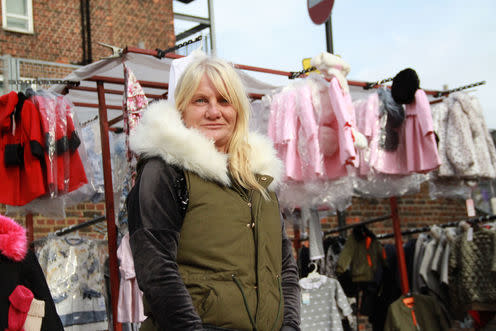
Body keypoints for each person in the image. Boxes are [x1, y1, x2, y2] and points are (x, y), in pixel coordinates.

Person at [126, 54, 301, 331]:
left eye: (224, 100)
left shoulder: (259, 180)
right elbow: (156, 270)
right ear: (181, 108)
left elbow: (285, 268)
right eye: (200, 100)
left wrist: (290, 326)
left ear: (238, 110)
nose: (214, 111)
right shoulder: (165, 171)